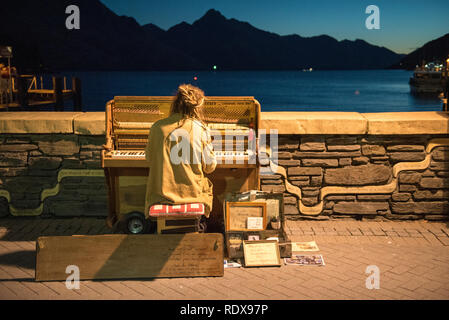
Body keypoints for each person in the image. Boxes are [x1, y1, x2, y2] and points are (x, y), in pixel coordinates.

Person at [144, 84, 217, 223]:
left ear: (175, 104)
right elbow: (210, 167)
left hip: (161, 195)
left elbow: (149, 158)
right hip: (193, 195)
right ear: (197, 107)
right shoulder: (201, 129)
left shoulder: (157, 127)